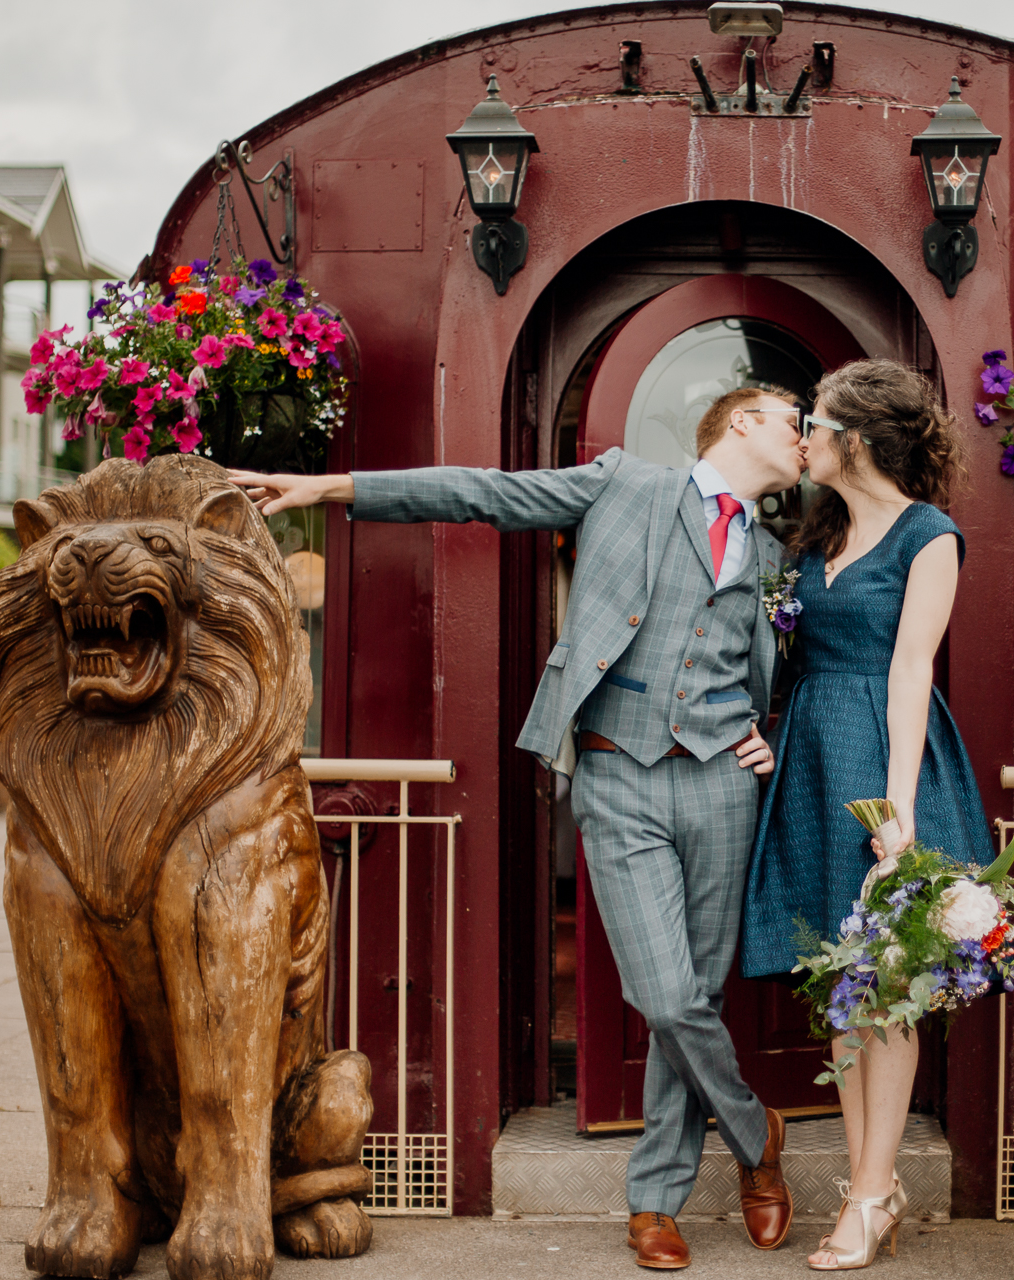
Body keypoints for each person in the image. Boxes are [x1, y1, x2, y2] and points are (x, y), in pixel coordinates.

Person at [228, 385, 806, 1271]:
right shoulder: (625, 483)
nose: (804, 437)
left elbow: (779, 666)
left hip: (725, 783)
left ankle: (655, 1202)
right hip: (619, 773)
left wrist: (763, 729)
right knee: (666, 997)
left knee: (697, 994)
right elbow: (485, 493)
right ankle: (753, 1134)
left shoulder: (773, 552)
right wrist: (329, 489)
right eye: (793, 421)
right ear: (741, 423)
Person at [740, 359, 991, 1271]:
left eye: (814, 421)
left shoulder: (931, 537)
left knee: (884, 990)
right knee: (840, 994)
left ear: (856, 438)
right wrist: (764, 733)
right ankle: (865, 1190)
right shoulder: (816, 535)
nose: (801, 434)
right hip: (808, 760)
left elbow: (912, 672)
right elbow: (780, 660)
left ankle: (873, 1194)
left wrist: (899, 811)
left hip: (883, 763)